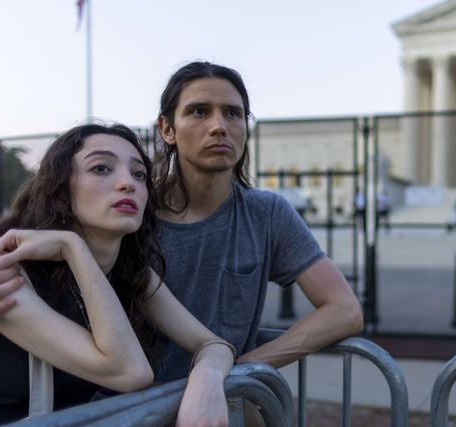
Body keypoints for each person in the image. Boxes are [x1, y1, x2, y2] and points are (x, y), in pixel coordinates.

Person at [0, 124, 235, 427]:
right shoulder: (9, 275)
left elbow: (212, 343)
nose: (128, 183)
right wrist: (73, 246)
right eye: (101, 168)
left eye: (139, 174)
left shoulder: (132, 273)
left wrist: (206, 380)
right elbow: (129, 372)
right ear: (61, 187)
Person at [152, 61, 363, 382]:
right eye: (199, 112)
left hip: (228, 409)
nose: (219, 126)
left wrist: (238, 369)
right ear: (167, 129)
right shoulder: (135, 214)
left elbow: (345, 310)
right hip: (137, 415)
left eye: (233, 113)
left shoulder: (267, 213)